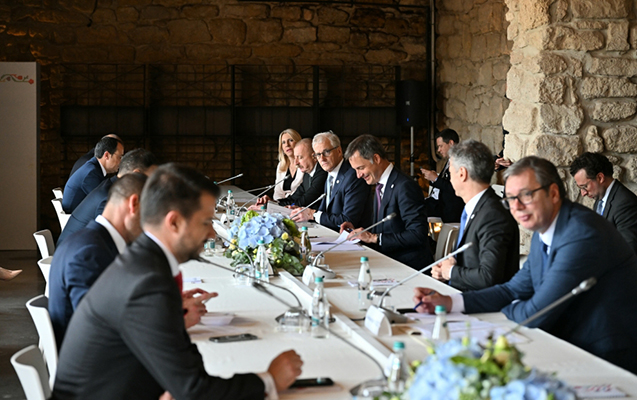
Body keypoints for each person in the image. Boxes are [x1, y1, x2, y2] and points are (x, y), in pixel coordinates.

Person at [52, 164, 303, 400]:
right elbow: (193, 389)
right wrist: (269, 380)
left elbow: (186, 371)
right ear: (173, 222)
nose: (212, 233)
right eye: (205, 222)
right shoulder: (148, 282)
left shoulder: (145, 263)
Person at [413, 156, 637, 374]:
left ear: (553, 193)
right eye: (510, 199)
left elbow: (536, 313)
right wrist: (449, 302)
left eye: (526, 195)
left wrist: (505, 308)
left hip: (607, 357)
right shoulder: (544, 227)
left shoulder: (581, 233)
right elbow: (512, 289)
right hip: (571, 342)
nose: (517, 207)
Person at [49, 174, 148, 347]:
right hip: (90, 355)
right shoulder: (89, 253)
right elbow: (97, 327)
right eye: (152, 214)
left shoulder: (94, 241)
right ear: (134, 205)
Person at [430, 139, 519, 291]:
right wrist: (448, 267)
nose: (449, 179)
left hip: (481, 302)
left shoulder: (493, 215)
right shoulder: (475, 207)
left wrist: (450, 272)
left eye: (450, 173)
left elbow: (488, 277)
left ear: (462, 173)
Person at [339, 134, 432, 270]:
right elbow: (384, 228)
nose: (358, 175)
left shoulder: (404, 186)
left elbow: (417, 234)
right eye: (355, 170)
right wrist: (357, 231)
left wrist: (374, 238)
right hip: (385, 260)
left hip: (407, 266)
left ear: (376, 159)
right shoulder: (379, 185)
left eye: (361, 168)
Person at [57, 149, 157, 246]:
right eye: (151, 179)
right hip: (75, 251)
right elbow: (109, 240)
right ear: (136, 174)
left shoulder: (112, 187)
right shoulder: (110, 196)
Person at [292, 131, 372, 230]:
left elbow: (347, 221)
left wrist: (312, 214)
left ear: (339, 151)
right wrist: (303, 211)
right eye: (318, 154)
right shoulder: (330, 174)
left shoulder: (353, 176)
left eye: (326, 152)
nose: (322, 158)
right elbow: (325, 211)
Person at [570, 152, 637, 255]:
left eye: (585, 187)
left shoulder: (625, 204)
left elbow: (627, 253)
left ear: (600, 178)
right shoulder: (600, 198)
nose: (583, 193)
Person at [62, 136, 124, 213]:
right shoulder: (91, 173)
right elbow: (104, 201)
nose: (121, 162)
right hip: (77, 217)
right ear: (107, 155)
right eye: (119, 157)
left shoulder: (93, 167)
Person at [421, 129, 465, 223]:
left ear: (451, 143)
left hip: (450, 208)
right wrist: (433, 177)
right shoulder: (450, 160)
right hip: (440, 203)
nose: (438, 150)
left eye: (441, 146)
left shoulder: (460, 161)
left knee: (414, 209)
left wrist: (436, 179)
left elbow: (455, 188)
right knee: (412, 204)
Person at [273, 128, 304, 201]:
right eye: (283, 142)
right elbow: (278, 192)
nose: (287, 145)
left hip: (299, 203)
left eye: (290, 140)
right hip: (283, 204)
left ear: (298, 142)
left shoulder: (305, 163)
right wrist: (279, 204)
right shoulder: (281, 165)